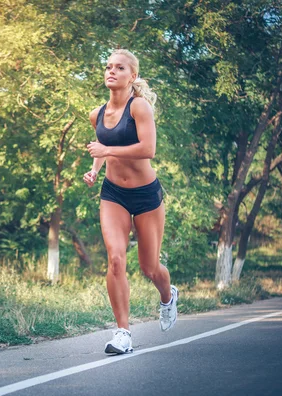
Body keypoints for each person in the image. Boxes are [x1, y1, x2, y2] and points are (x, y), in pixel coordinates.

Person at [83, 49, 178, 354]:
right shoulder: (96, 114)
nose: (111, 71)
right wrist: (95, 170)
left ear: (132, 76)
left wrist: (105, 153)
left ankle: (168, 296)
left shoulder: (140, 108)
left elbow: (148, 148)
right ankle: (122, 332)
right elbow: (103, 146)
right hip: (114, 194)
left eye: (119, 67)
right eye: (108, 66)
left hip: (146, 195)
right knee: (114, 258)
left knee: (150, 268)